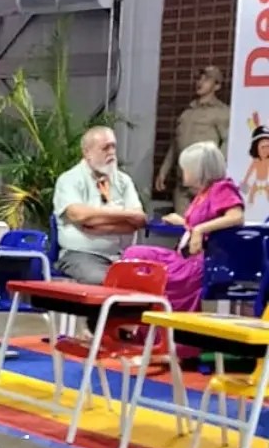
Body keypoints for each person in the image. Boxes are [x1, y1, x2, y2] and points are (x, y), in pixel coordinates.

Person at [125, 140, 245, 310]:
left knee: (147, 268)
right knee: (134, 254)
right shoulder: (203, 193)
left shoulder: (222, 188)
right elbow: (202, 222)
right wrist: (183, 222)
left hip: (200, 262)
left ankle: (145, 319)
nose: (182, 172)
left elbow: (236, 217)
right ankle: (130, 315)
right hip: (184, 256)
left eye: (185, 168)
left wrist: (199, 229)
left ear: (198, 170)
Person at [51, 126, 146, 284]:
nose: (111, 152)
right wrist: (125, 215)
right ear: (87, 152)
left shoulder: (124, 181)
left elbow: (139, 220)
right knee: (106, 281)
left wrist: (98, 222)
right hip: (81, 255)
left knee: (151, 282)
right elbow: (79, 215)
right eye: (105, 148)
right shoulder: (70, 179)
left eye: (113, 146)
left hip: (123, 256)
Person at [157, 65, 230, 213]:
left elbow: (228, 143)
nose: (200, 82)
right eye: (199, 78)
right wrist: (163, 171)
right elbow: (175, 144)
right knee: (182, 227)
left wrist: (214, 172)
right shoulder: (187, 112)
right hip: (182, 181)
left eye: (207, 79)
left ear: (217, 86)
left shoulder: (222, 113)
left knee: (205, 227)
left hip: (206, 182)